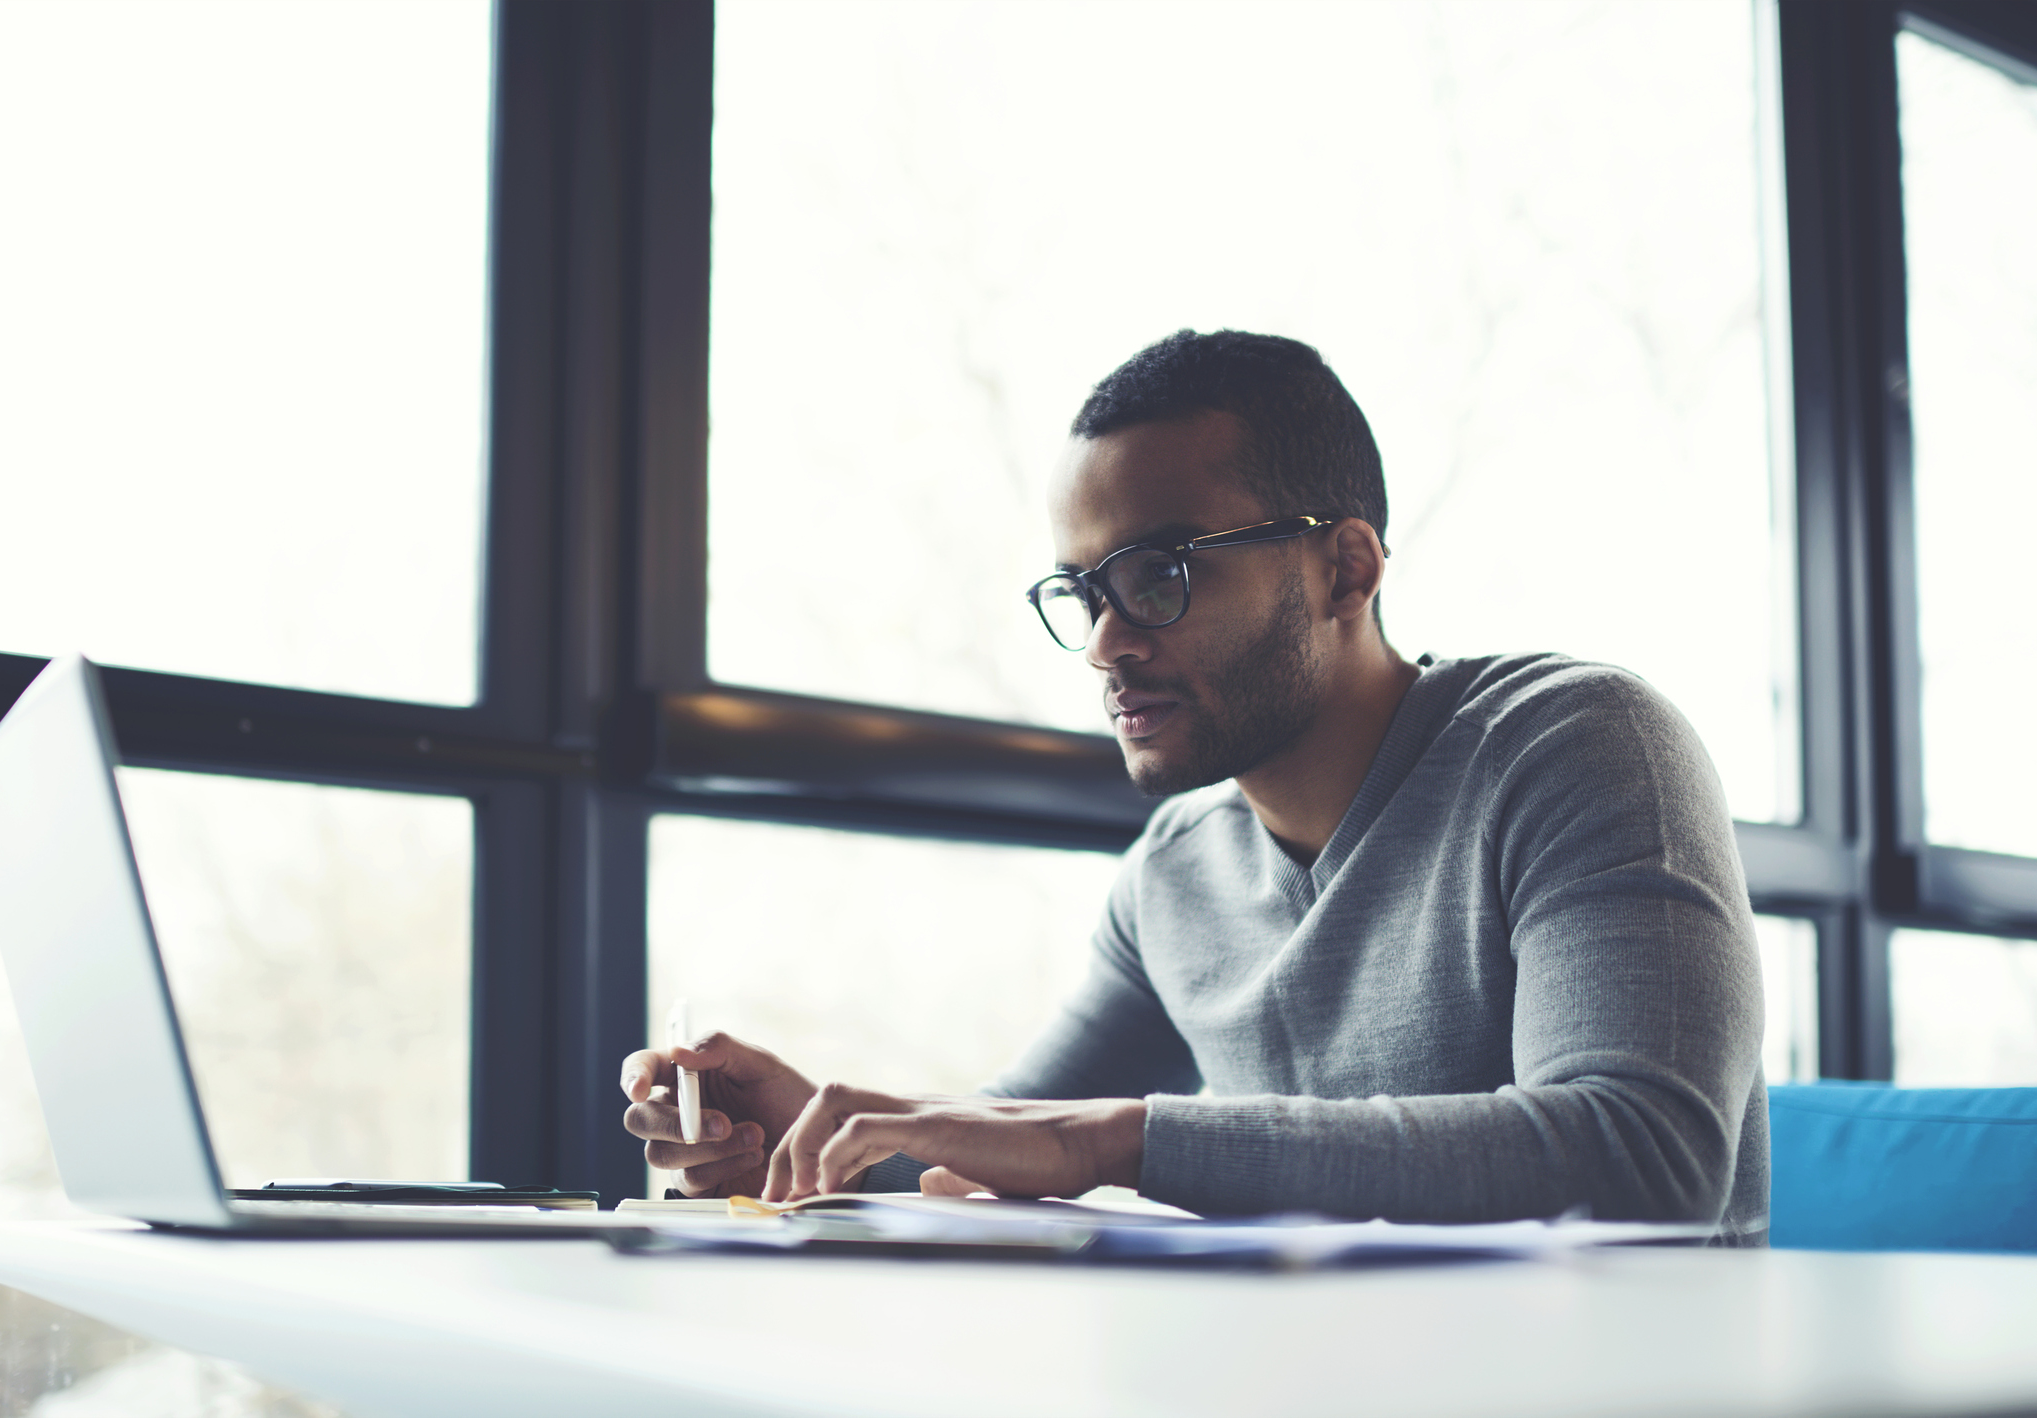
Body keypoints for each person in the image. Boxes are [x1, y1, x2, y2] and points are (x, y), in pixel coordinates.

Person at [622, 329, 1768, 1239]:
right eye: (1082, 592)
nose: (1105, 644)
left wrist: (1121, 1142)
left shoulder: (1574, 745)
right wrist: (815, 1130)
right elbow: (1003, 1142)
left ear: (1344, 566)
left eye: (1159, 573)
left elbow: (1642, 1159)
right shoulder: (1174, 873)